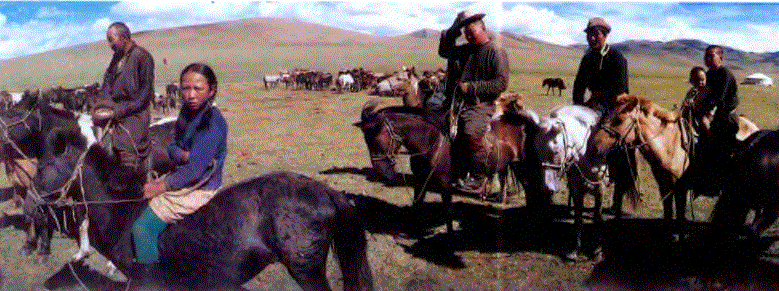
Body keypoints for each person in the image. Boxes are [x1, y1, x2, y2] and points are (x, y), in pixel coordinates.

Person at [131, 63, 228, 282]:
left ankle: (151, 284)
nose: (190, 95)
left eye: (198, 88)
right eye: (185, 88)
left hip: (201, 186)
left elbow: (195, 170)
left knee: (142, 228)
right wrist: (183, 155)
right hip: (185, 176)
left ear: (211, 90)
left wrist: (159, 186)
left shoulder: (212, 123)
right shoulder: (187, 113)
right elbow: (173, 146)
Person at [571, 17, 638, 215]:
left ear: (605, 36)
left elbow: (622, 88)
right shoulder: (587, 58)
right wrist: (578, 106)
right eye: (588, 35)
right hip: (593, 104)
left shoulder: (617, 57)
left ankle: (617, 197)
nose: (591, 38)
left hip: (614, 107)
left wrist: (601, 96)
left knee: (621, 147)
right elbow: (578, 84)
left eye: (595, 34)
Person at [438, 10, 509, 192]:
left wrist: (471, 87)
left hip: (481, 104)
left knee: (470, 131)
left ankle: (478, 176)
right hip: (458, 102)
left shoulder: (496, 51)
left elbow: (501, 84)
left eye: (472, 32)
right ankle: (455, 171)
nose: (468, 36)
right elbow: (444, 51)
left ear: (483, 28)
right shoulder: (465, 50)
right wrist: (455, 28)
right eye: (466, 33)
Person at [94, 22, 155, 190]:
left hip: (135, 112)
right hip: (113, 108)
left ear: (124, 37)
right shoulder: (116, 59)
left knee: (125, 143)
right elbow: (107, 83)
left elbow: (146, 94)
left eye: (111, 39)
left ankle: (130, 186)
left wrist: (120, 111)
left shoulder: (142, 57)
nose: (110, 44)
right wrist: (102, 105)